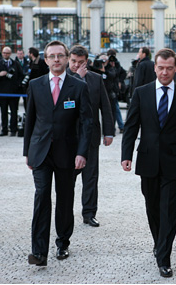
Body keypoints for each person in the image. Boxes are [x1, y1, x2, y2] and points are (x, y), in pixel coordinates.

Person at [121, 48, 176, 278]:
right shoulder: (141, 93)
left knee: (169, 208)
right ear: (155, 68)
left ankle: (164, 257)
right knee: (152, 205)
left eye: (169, 68)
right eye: (161, 68)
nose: (165, 72)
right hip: (147, 159)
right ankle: (159, 242)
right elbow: (131, 127)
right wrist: (126, 155)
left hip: (173, 160)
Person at [23, 40, 93, 266]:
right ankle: (39, 251)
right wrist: (28, 152)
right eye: (51, 56)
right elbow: (30, 120)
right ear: (45, 60)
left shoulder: (78, 86)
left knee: (65, 199)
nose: (56, 59)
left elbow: (86, 123)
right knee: (41, 196)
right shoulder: (35, 85)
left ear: (66, 58)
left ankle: (63, 242)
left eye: (60, 56)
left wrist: (82, 153)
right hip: (41, 153)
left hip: (68, 153)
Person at [67, 45, 114, 228]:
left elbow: (105, 106)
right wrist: (78, 77)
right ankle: (65, 212)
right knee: (68, 178)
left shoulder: (95, 79)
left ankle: (89, 213)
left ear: (87, 62)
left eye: (80, 62)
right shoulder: (63, 79)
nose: (76, 65)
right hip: (69, 138)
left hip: (92, 136)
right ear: (68, 60)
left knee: (91, 176)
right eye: (73, 62)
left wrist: (109, 132)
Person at [0, 47, 23, 136]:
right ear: (2, 53)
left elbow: (21, 75)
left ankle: (13, 129)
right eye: (4, 53)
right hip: (2, 92)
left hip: (13, 92)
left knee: (14, 111)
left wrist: (18, 84)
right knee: (3, 112)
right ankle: (4, 129)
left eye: (8, 53)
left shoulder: (15, 63)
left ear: (10, 54)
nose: (6, 54)